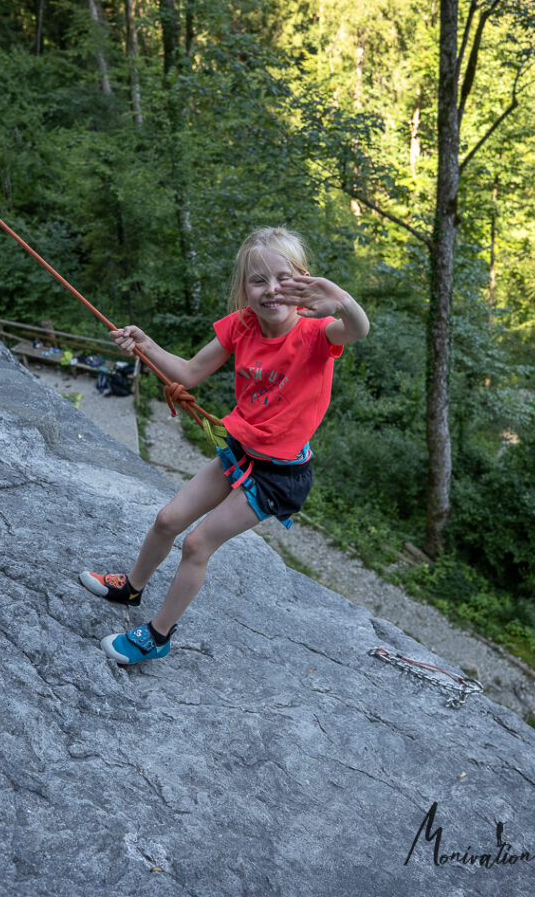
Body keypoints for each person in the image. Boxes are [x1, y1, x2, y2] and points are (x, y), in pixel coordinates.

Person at [79, 226, 370, 665]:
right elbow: (190, 372)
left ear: (304, 281)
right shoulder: (241, 326)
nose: (271, 290)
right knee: (167, 519)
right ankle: (132, 588)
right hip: (239, 452)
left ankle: (158, 636)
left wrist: (342, 301)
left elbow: (359, 330)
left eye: (283, 279)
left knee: (197, 544)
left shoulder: (318, 334)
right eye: (258, 281)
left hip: (278, 474)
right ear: (244, 288)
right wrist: (145, 344)